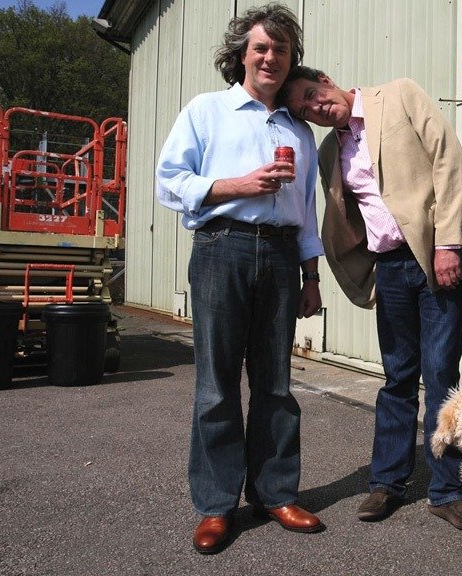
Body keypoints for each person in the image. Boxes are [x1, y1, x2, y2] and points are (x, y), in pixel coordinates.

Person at [281, 67, 462, 531]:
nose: (317, 106)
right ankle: (387, 483)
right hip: (390, 267)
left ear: (327, 79)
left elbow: (449, 160)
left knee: (440, 374)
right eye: (305, 109)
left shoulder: (398, 96)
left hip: (437, 257)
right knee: (397, 376)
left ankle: (448, 491)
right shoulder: (330, 149)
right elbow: (343, 216)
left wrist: (449, 243)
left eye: (314, 94)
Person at [155, 4, 325, 555]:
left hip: (279, 257)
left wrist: (311, 275)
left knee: (276, 383)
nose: (271, 56)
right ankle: (215, 505)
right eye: (261, 47)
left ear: (291, 59)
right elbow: (169, 181)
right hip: (221, 250)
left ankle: (275, 492)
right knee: (216, 384)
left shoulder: (299, 131)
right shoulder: (208, 111)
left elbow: (307, 208)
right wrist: (237, 185)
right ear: (241, 55)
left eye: (281, 49)